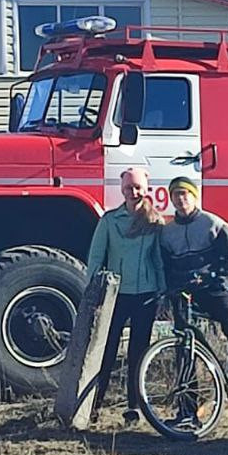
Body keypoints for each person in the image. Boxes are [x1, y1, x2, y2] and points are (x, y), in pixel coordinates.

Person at [159, 176, 228, 411]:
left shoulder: (212, 223)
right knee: (184, 345)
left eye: (185, 194)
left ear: (194, 197)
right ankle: (187, 407)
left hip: (212, 289)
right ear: (171, 199)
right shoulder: (167, 232)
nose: (181, 199)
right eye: (176, 195)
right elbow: (166, 265)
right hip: (185, 292)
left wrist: (221, 279)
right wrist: (170, 287)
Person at [85, 167, 165, 424]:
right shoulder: (109, 221)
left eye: (138, 187)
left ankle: (134, 407)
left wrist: (163, 290)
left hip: (146, 294)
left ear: (146, 188)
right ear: (122, 189)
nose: (134, 192)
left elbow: (160, 259)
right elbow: (96, 257)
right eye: (129, 188)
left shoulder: (155, 221)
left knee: (138, 353)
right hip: (116, 295)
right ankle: (93, 406)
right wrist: (94, 291)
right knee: (106, 351)